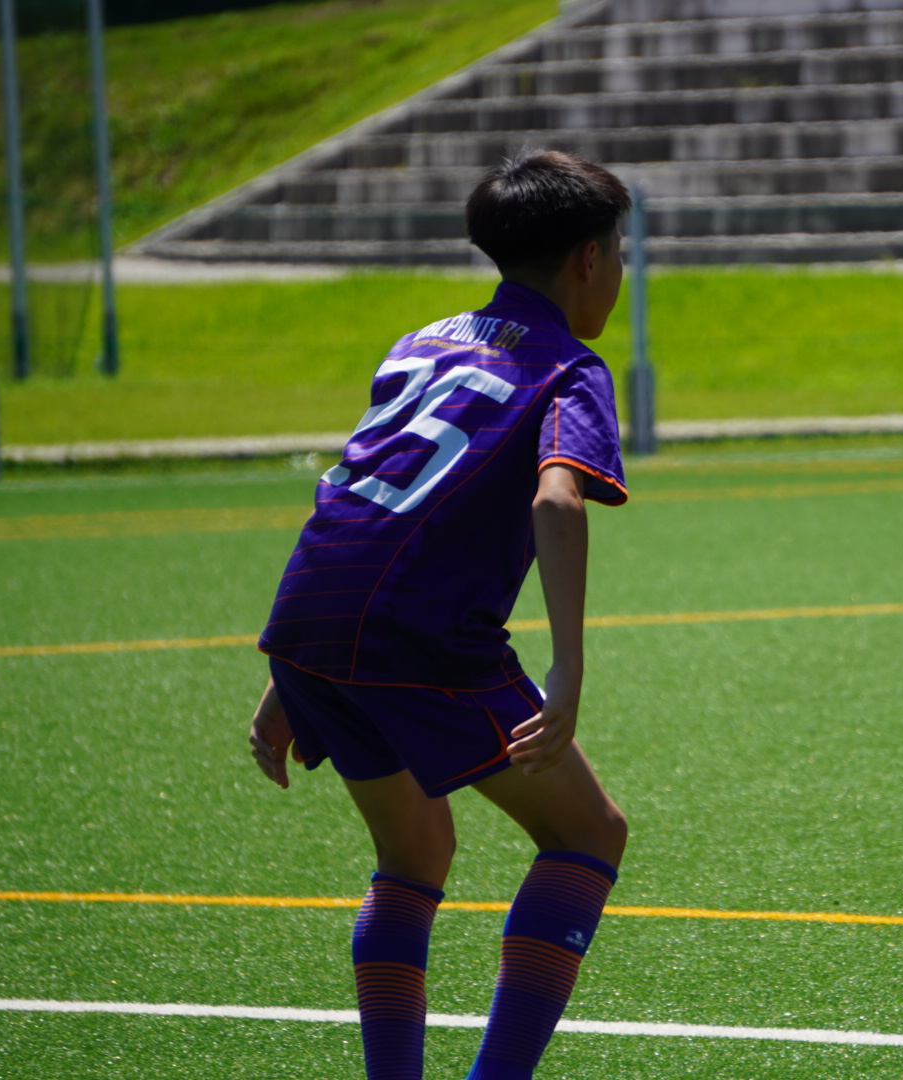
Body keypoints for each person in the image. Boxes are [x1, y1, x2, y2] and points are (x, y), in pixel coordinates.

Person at [247, 149, 632, 1080]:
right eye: (620, 251)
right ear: (589, 259)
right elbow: (556, 501)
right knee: (587, 834)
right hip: (421, 633)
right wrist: (569, 669)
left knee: (415, 853)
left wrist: (293, 673)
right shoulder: (569, 368)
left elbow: (364, 487)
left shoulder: (420, 343)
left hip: (310, 615)